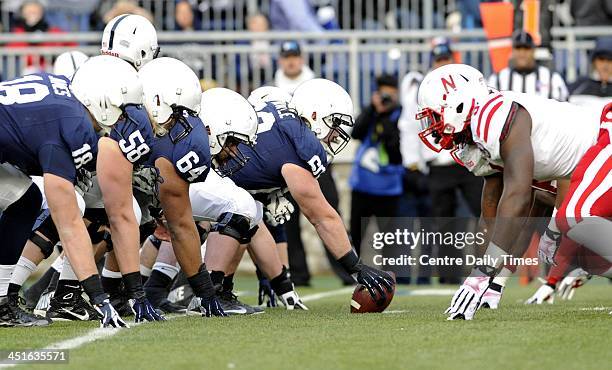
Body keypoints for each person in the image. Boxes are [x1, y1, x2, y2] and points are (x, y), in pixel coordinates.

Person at [415, 63, 603, 320]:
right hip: (581, 169)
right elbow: (493, 210)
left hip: (604, 145)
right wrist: (486, 280)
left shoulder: (498, 116)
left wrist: (482, 274)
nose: (433, 125)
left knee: (576, 226)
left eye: (435, 115)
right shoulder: (475, 137)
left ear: (459, 105)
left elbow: (518, 198)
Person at [230, 78, 395, 303]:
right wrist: (356, 267)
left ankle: (217, 287)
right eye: (334, 123)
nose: (336, 134)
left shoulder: (281, 124)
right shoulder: (300, 144)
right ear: (314, 115)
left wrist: (280, 284)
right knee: (239, 213)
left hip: (221, 183)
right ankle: (206, 288)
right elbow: (322, 217)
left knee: (248, 213)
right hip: (209, 183)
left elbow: (269, 224)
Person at [349, 74, 403, 259]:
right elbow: (355, 133)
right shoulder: (370, 112)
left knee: (389, 240)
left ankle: (390, 276)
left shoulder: (400, 116)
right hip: (362, 186)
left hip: (389, 189)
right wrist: (373, 110)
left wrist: (386, 117)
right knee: (355, 234)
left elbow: (395, 149)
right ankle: (353, 274)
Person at [488, 30, 568, 101]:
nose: (522, 53)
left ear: (533, 51)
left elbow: (564, 110)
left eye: (526, 48)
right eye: (518, 48)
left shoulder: (552, 79)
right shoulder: (497, 80)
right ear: (512, 51)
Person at [568, 36, 612, 107]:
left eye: (610, 60)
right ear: (594, 61)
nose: (605, 65)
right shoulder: (577, 86)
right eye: (601, 59)